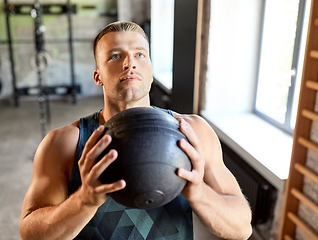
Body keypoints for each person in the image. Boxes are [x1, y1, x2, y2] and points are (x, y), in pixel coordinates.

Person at [19, 21, 252, 240]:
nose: (129, 63)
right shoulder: (65, 143)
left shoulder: (194, 132)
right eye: (115, 55)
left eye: (140, 54)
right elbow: (30, 233)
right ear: (98, 76)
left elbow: (242, 228)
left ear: (150, 71)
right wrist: (84, 200)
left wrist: (200, 194)